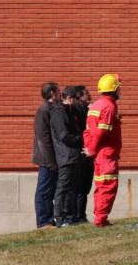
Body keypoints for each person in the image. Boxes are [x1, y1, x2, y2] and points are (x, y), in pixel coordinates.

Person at [84, 73, 123, 227]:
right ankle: (101, 219)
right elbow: (101, 132)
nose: (121, 91)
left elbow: (88, 131)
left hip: (100, 154)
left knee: (101, 186)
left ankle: (99, 217)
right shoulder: (109, 107)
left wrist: (90, 148)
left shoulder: (97, 105)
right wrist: (92, 150)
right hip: (106, 154)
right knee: (108, 185)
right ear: (113, 89)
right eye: (119, 88)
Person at [50, 86, 85, 227]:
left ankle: (71, 217)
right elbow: (64, 135)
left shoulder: (70, 111)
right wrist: (81, 140)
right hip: (66, 155)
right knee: (63, 187)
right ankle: (60, 217)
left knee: (72, 188)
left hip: (73, 155)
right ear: (70, 98)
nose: (79, 102)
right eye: (77, 99)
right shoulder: (59, 113)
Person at [32, 82, 60, 228]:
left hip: (52, 158)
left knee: (50, 190)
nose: (60, 94)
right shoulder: (44, 110)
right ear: (52, 93)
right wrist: (50, 161)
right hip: (46, 159)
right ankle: (44, 221)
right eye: (58, 91)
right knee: (44, 190)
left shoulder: (53, 109)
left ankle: (49, 219)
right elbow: (43, 138)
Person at [71, 86, 94, 222]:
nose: (89, 96)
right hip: (80, 153)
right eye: (86, 94)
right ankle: (78, 215)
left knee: (85, 187)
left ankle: (81, 214)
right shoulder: (77, 111)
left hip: (88, 154)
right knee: (79, 187)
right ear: (79, 97)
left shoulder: (87, 109)